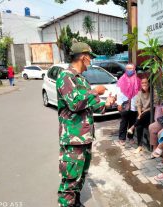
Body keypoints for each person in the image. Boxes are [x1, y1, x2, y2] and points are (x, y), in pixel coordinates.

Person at [56, 41, 115, 207]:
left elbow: (93, 105)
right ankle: (66, 204)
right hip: (73, 139)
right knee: (70, 178)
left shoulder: (81, 80)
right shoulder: (66, 77)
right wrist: (95, 91)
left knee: (81, 175)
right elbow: (74, 103)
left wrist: (107, 103)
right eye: (90, 57)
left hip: (85, 138)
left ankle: (75, 202)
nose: (91, 60)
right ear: (83, 57)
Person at [116, 63, 141, 146]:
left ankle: (130, 137)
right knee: (124, 122)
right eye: (127, 68)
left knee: (132, 122)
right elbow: (119, 93)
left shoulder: (137, 80)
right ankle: (122, 138)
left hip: (134, 104)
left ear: (134, 69)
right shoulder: (121, 79)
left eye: (131, 68)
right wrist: (119, 103)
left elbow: (139, 93)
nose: (129, 70)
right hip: (124, 104)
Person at [127, 77, 153, 153]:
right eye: (142, 83)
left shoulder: (153, 92)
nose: (144, 84)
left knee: (145, 114)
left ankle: (132, 127)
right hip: (142, 115)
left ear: (149, 84)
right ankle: (139, 146)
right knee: (139, 126)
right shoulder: (139, 93)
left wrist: (142, 113)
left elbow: (153, 106)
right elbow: (138, 105)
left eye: (146, 82)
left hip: (150, 113)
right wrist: (140, 114)